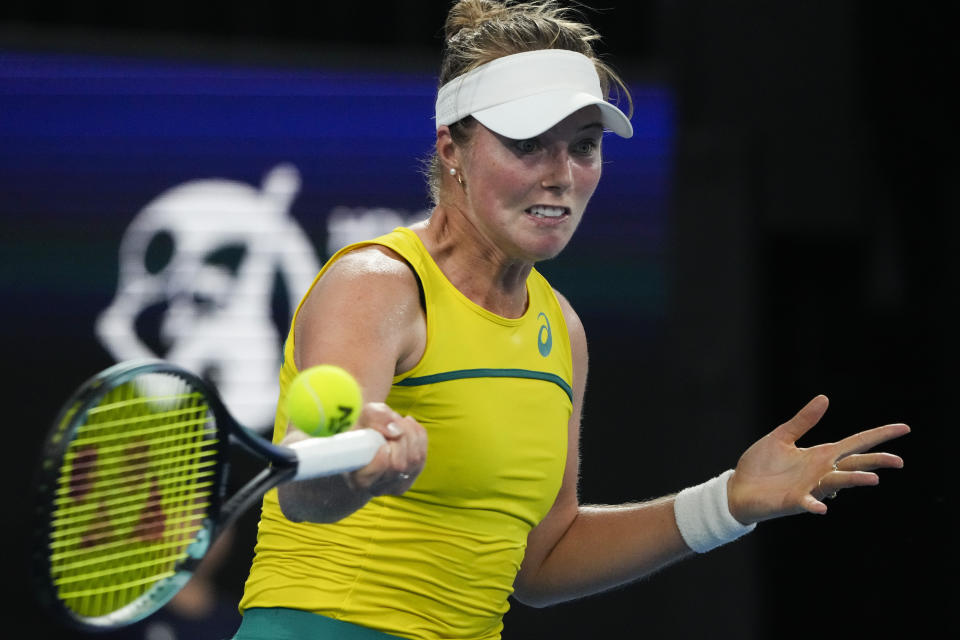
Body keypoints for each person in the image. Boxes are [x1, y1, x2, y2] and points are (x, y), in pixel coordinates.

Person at [232, 2, 909, 639]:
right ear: (452, 152)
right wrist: (361, 471)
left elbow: (543, 563)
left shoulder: (563, 329)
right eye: (529, 144)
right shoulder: (378, 284)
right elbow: (304, 497)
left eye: (583, 146)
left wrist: (728, 502)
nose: (562, 174)